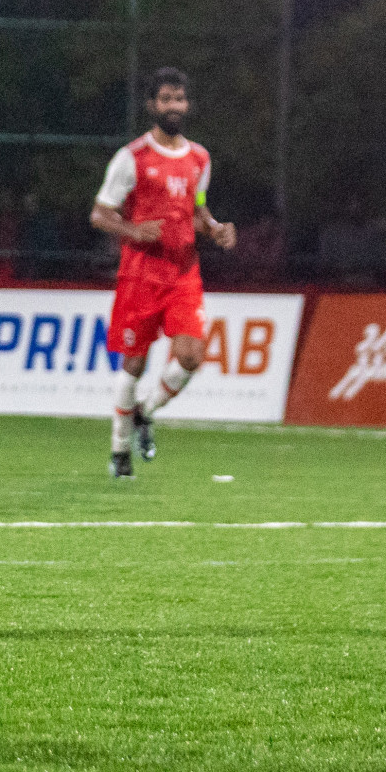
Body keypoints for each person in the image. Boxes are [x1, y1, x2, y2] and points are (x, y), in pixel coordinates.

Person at [91, 67, 236, 478]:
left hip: (184, 273)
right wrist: (133, 230)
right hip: (140, 276)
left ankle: (145, 412)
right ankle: (119, 451)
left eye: (180, 99)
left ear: (187, 105)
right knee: (133, 365)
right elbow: (100, 214)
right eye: (166, 99)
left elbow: (198, 210)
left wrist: (216, 228)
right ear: (152, 105)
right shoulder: (132, 158)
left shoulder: (199, 158)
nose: (174, 106)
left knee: (190, 355)